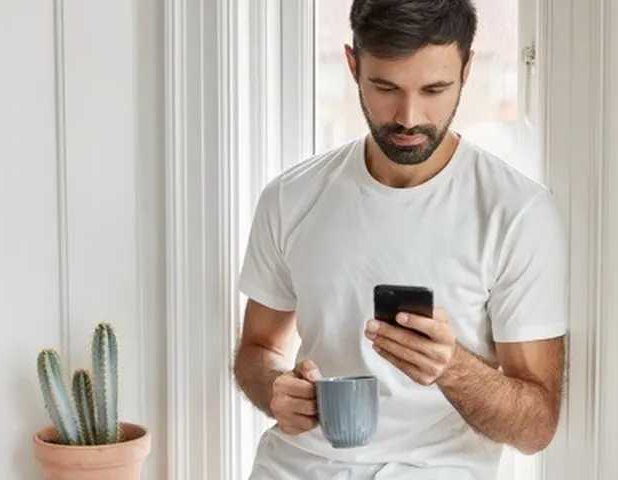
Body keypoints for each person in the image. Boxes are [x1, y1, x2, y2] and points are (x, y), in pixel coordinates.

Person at [234, 1, 568, 478]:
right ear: (353, 66)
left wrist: (452, 367)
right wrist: (275, 388)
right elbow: (258, 348)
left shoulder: (516, 213)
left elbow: (536, 427)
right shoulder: (291, 197)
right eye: (385, 87)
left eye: (435, 89)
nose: (409, 117)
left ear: (467, 69)